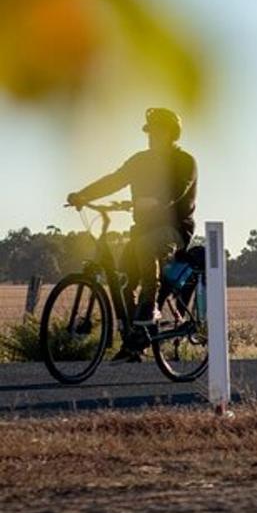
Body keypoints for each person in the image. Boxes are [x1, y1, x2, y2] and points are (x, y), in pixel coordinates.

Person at [66, 108, 198, 361]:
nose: (150, 136)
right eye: (149, 132)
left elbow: (178, 189)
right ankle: (136, 341)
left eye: (156, 132)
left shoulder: (185, 161)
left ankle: (149, 310)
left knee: (146, 246)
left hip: (175, 229)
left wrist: (157, 201)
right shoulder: (140, 160)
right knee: (124, 277)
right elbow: (114, 180)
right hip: (143, 230)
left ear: (170, 134)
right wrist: (83, 195)